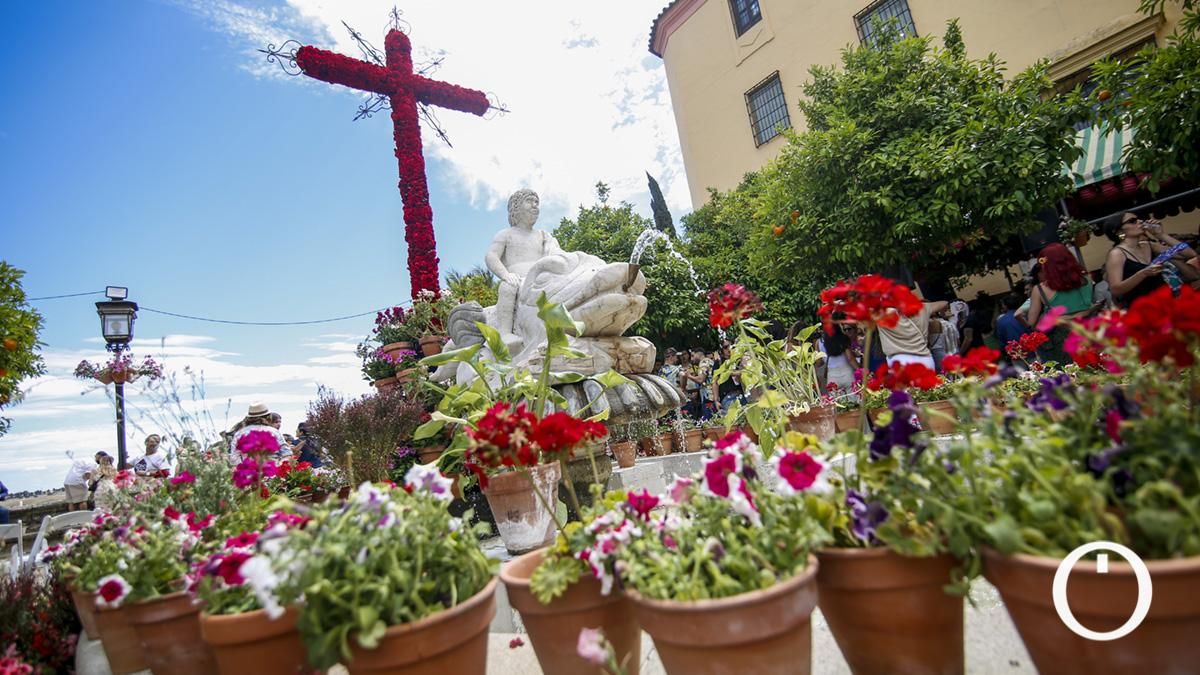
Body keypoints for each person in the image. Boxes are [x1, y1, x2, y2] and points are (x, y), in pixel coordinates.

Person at [484, 189, 566, 336]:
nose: (535, 205)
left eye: (537, 202)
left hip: (541, 279)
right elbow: (491, 256)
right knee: (507, 288)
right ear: (516, 207)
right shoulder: (506, 234)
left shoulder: (543, 235)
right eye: (529, 201)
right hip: (516, 280)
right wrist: (506, 275)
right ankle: (505, 333)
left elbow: (556, 253)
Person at [1103, 212, 1197, 308]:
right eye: (1132, 221)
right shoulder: (1117, 254)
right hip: (1144, 309)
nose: (1140, 221)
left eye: (1138, 219)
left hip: (1166, 303)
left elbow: (1189, 254)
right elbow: (1116, 289)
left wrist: (1161, 235)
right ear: (1119, 231)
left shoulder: (1149, 245)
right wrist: (1143, 274)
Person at [877, 292, 949, 370]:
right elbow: (944, 303)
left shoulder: (882, 314)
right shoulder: (922, 308)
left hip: (899, 361)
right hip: (925, 358)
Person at [820, 325, 859, 397]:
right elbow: (850, 358)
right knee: (854, 400)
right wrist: (860, 370)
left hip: (832, 376)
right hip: (847, 373)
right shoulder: (843, 338)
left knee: (837, 404)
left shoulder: (819, 342)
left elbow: (819, 363)